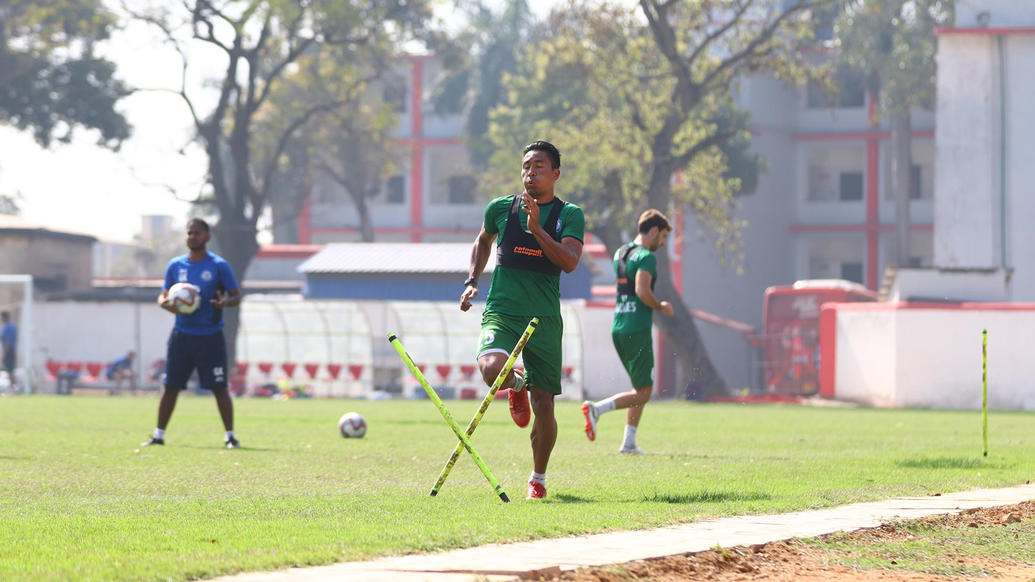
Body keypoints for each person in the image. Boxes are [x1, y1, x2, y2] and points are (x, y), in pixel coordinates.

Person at [460, 140, 585, 499]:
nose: (531, 173)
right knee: (490, 369)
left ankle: (538, 480)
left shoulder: (569, 214)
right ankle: (515, 386)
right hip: (502, 309)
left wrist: (538, 229)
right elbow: (482, 241)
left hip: (544, 316)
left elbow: (569, 261)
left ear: (556, 174)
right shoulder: (501, 207)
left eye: (540, 167)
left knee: (544, 403)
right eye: (527, 167)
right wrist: (472, 281)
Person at [142, 218, 243, 449]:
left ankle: (230, 436)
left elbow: (236, 295)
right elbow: (163, 295)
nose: (193, 237)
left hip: (210, 336)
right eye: (189, 233)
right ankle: (158, 435)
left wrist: (224, 303)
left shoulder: (218, 265)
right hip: (182, 336)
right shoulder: (175, 266)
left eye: (197, 233)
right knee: (170, 386)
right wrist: (164, 303)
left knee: (219, 387)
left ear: (207, 237)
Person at [581, 209, 675, 454]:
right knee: (644, 393)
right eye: (663, 237)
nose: (663, 243)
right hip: (638, 327)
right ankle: (597, 409)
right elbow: (643, 292)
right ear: (654, 231)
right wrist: (661, 306)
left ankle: (629, 443)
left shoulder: (620, 253)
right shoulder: (646, 257)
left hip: (620, 325)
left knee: (639, 387)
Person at [1, 311, 16, 389]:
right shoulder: (13, 326)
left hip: (8, 351)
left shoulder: (7, 327)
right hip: (12, 350)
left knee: (9, 370)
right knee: (10, 370)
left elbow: (6, 341)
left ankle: (13, 388)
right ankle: (13, 387)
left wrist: (3, 354)